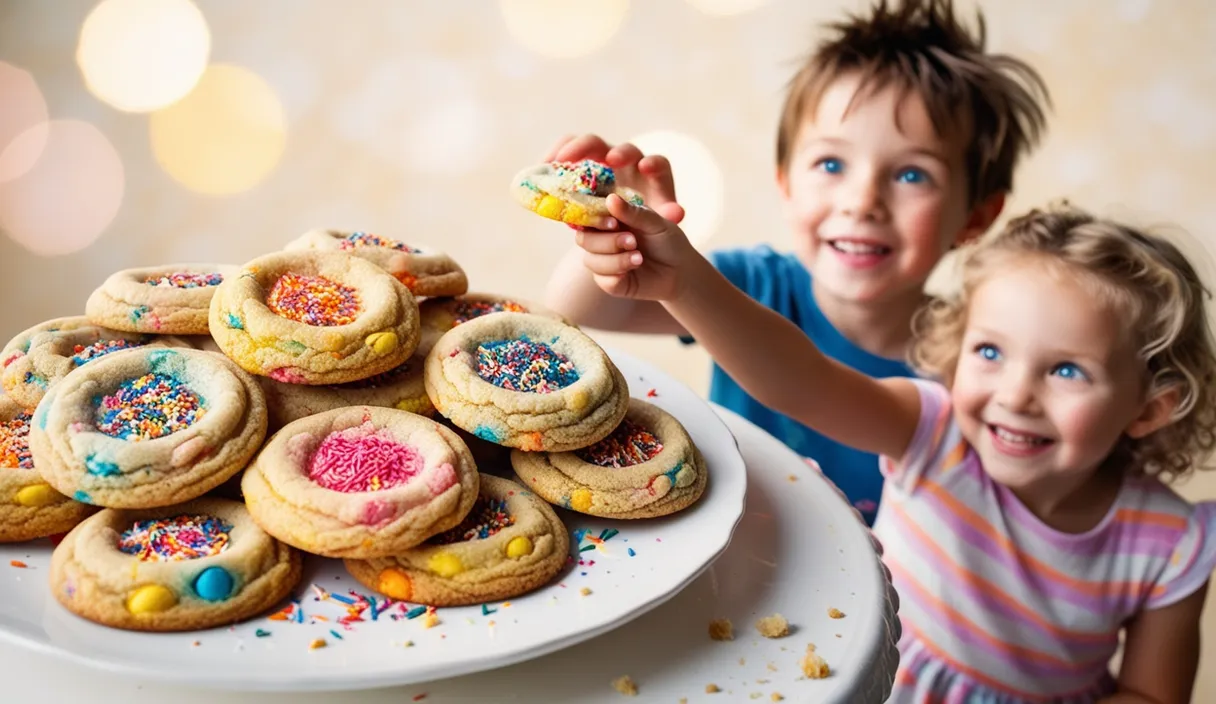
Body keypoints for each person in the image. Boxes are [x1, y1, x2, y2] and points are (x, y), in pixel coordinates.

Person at [573, 194, 1216, 701]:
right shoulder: (934, 435)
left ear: (1149, 407)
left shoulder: (1171, 544)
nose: (1016, 395)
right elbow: (801, 378)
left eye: (1067, 370)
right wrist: (684, 282)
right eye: (990, 352)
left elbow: (1151, 694)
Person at [543, 0, 1049, 524]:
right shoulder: (747, 285)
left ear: (977, 215)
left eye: (911, 175)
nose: (862, 201)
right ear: (785, 183)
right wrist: (613, 223)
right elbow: (580, 309)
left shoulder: (980, 358)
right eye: (831, 163)